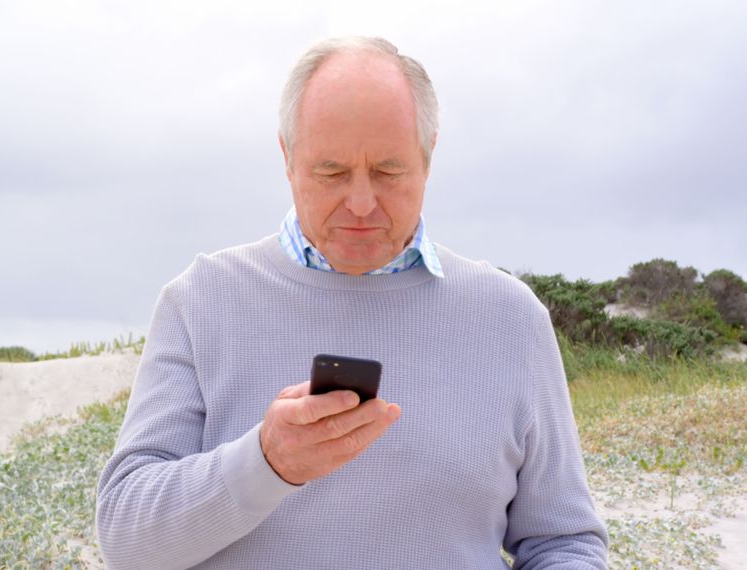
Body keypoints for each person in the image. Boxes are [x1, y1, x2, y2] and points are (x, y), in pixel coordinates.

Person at [95, 36, 608, 569]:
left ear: (428, 158)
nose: (361, 204)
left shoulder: (510, 318)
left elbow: (563, 542)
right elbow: (128, 544)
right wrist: (267, 463)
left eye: (389, 171)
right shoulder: (199, 302)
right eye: (331, 172)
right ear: (287, 159)